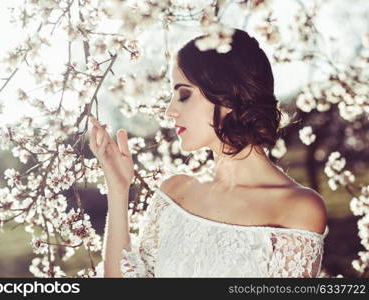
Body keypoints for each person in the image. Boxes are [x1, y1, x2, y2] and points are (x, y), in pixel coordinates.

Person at [88, 28, 329, 278]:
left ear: (227, 96)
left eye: (183, 95)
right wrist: (118, 189)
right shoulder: (174, 192)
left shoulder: (297, 208)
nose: (170, 110)